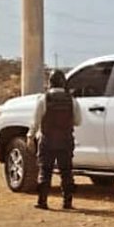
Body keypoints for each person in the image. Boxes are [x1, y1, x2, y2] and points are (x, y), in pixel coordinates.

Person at [27, 68, 82, 210]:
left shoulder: (43, 99)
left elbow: (35, 121)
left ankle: (42, 201)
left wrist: (30, 136)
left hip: (47, 140)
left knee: (45, 171)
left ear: (50, 82)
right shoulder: (72, 100)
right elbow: (78, 121)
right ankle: (67, 202)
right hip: (66, 140)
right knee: (66, 171)